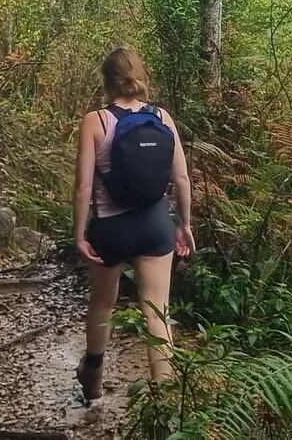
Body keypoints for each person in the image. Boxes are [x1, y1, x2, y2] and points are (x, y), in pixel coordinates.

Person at [72, 46, 194, 403]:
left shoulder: (96, 120)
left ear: (106, 81)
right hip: (156, 225)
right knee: (158, 312)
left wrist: (80, 234)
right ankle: (166, 408)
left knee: (102, 304)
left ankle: (92, 378)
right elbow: (182, 178)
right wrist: (184, 223)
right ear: (141, 76)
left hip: (112, 229)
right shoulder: (163, 117)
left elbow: (82, 185)